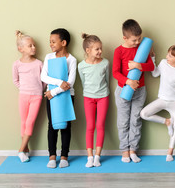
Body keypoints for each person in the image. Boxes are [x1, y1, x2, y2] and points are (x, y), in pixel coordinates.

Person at [112, 19, 154, 163]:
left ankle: (133, 150)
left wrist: (139, 65)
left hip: (140, 90)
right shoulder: (119, 51)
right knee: (123, 122)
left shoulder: (142, 49)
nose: (137, 42)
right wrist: (128, 81)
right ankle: (124, 150)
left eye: (139, 39)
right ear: (125, 38)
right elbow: (115, 73)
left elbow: (151, 67)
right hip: (124, 89)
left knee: (136, 120)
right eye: (134, 40)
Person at [40, 28, 77, 168]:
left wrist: (53, 92)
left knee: (66, 126)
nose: (51, 44)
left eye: (53, 42)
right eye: (50, 42)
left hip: (66, 96)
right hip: (51, 96)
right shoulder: (49, 57)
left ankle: (64, 156)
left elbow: (70, 83)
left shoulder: (72, 60)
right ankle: (52, 156)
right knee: (52, 125)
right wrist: (58, 83)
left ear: (63, 42)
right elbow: (43, 76)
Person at [78, 33, 110, 168]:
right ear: (88, 50)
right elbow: (83, 82)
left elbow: (107, 80)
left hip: (103, 97)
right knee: (90, 126)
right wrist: (90, 93)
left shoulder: (105, 63)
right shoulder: (81, 66)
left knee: (100, 125)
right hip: (88, 97)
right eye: (97, 49)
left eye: (100, 48)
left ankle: (97, 156)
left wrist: (102, 93)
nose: (100, 51)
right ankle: (89, 156)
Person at [12, 30, 44, 162]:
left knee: (30, 122)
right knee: (24, 122)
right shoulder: (16, 64)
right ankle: (25, 150)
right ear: (21, 49)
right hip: (23, 96)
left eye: (34, 45)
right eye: (30, 45)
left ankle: (20, 150)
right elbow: (16, 80)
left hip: (37, 96)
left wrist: (39, 91)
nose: (34, 47)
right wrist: (24, 89)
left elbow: (44, 81)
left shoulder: (39, 64)